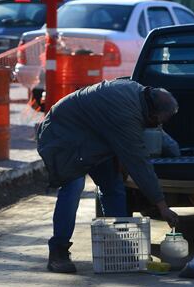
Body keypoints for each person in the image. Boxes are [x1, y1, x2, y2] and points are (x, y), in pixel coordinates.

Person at [37, 79, 180, 274]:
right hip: (62, 133)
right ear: (153, 113)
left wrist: (176, 154)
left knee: (113, 186)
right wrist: (162, 205)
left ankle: (121, 248)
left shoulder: (140, 94)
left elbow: (150, 139)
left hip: (93, 137)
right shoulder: (127, 113)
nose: (157, 125)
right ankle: (58, 252)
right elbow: (139, 164)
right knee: (73, 188)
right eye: (158, 120)